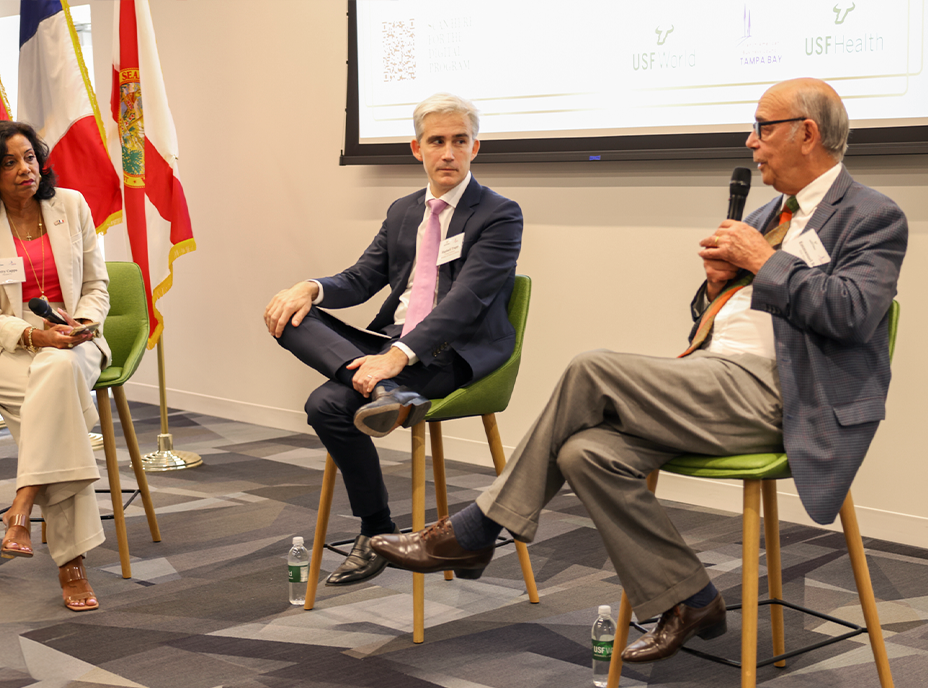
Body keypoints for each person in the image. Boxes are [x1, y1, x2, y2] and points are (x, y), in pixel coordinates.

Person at [371, 78, 908, 663]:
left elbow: (852, 315)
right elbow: (723, 322)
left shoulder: (871, 215)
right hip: (718, 379)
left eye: (762, 128)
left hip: (788, 398)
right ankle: (691, 597)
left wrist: (763, 261)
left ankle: (476, 531)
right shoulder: (768, 212)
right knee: (586, 454)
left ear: (807, 134)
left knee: (592, 369)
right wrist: (714, 291)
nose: (751, 144)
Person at [264, 93, 523, 587]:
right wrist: (311, 287)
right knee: (293, 315)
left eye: (459, 141)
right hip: (390, 348)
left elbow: (465, 303)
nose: (448, 153)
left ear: (475, 148)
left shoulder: (500, 214)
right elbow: (363, 277)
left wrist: (397, 357)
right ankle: (384, 406)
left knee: (326, 405)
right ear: (417, 149)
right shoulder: (404, 210)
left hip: (451, 353)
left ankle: (375, 528)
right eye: (437, 141)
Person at [0, 121, 112, 612]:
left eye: (28, 157)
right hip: (7, 349)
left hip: (74, 338)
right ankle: (72, 564)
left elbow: (96, 285)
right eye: (9, 163)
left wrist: (80, 324)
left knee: (59, 372)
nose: (24, 169)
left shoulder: (72, 206)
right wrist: (32, 336)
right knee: (57, 389)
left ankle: (23, 505)